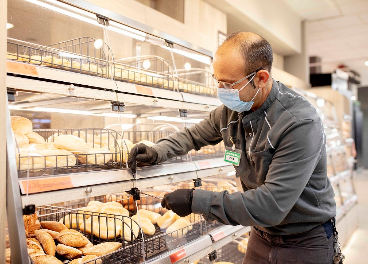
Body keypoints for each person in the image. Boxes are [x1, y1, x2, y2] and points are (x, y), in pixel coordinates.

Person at [128, 31, 337, 264]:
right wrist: (157, 151)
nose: (221, 89)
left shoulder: (298, 122)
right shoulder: (231, 112)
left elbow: (271, 205)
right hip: (261, 234)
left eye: (228, 83)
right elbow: (193, 136)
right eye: (217, 80)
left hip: (305, 242)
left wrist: (195, 200)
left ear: (261, 78)